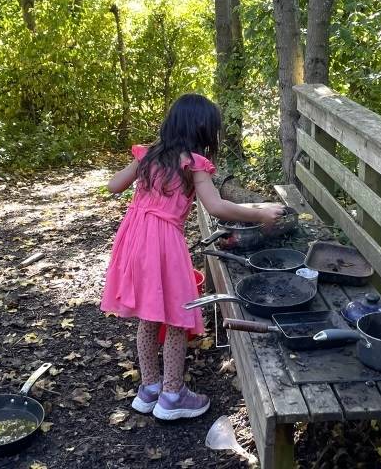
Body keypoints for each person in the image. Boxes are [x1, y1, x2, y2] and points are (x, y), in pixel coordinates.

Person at [100, 94, 283, 420]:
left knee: (148, 315)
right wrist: (261, 214)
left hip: (133, 240)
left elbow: (114, 186)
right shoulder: (192, 163)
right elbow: (216, 207)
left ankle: (149, 388)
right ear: (202, 130)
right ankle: (172, 395)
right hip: (164, 243)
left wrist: (142, 169)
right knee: (175, 316)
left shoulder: (148, 155)